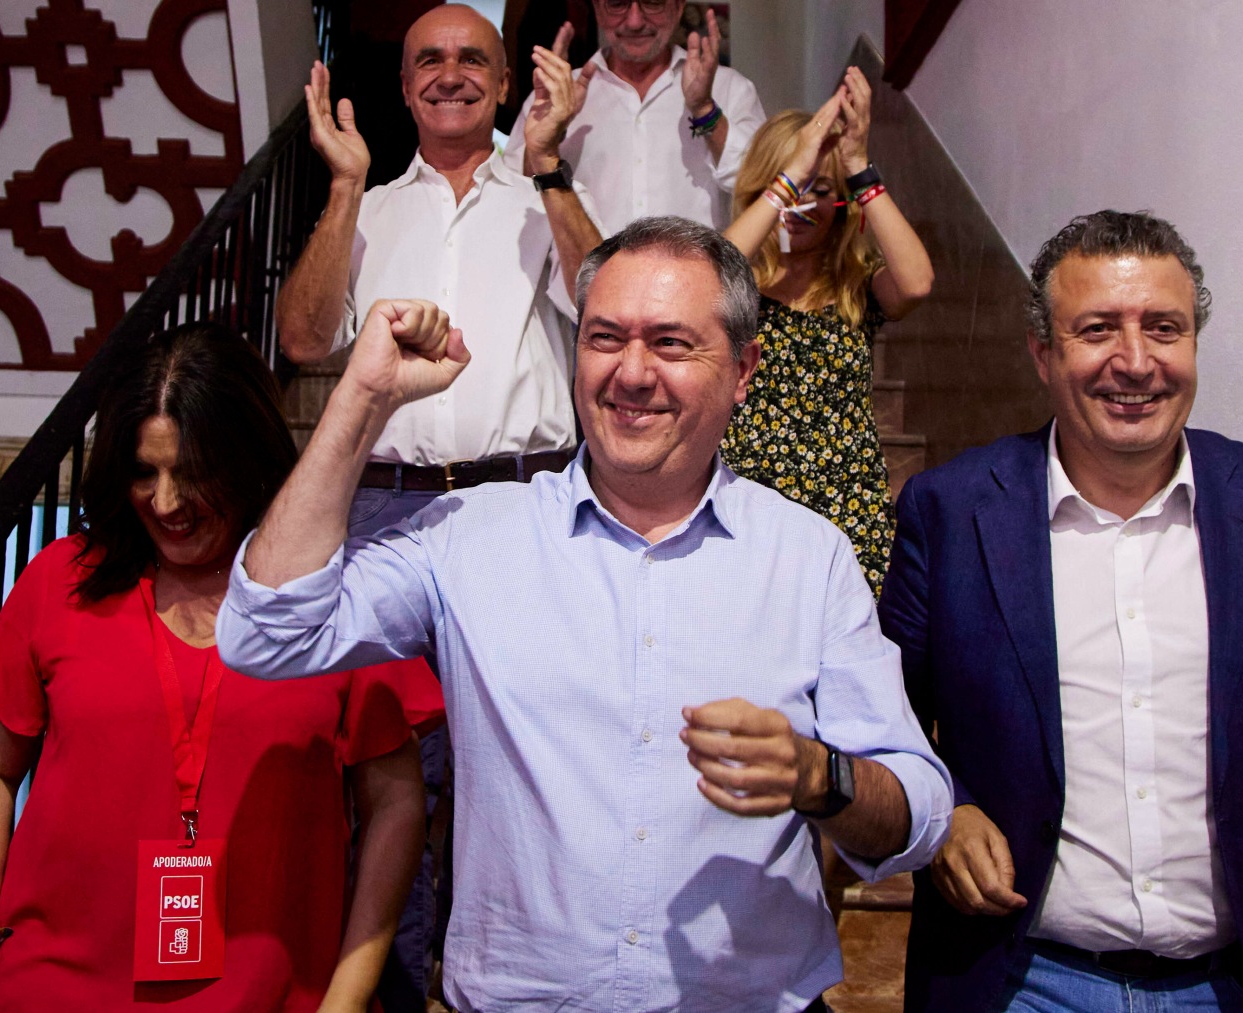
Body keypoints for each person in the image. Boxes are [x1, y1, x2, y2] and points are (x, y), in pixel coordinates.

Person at [217, 216, 952, 1013]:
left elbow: (918, 809)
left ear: (744, 370)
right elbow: (266, 631)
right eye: (605, 337)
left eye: (671, 343)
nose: (631, 373)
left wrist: (820, 774)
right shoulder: (468, 533)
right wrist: (364, 400)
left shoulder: (809, 558)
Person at [880, 211, 1243, 1012]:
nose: (1135, 361)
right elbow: (886, 720)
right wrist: (946, 812)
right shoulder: (951, 509)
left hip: (1242, 980)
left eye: (1165, 327)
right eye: (1097, 330)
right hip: (1025, 981)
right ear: (1043, 353)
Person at [0, 323, 435, 1013]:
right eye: (145, 471)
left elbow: (397, 801)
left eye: (193, 471)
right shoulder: (59, 582)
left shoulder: (330, 597)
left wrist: (347, 994)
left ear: (247, 458)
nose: (166, 502)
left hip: (275, 995)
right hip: (50, 990)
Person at [274, 6, 603, 996]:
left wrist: (550, 170)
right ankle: (392, 985)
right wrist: (340, 185)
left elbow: (608, 303)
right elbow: (301, 338)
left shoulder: (547, 192)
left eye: (473, 59)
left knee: (517, 770)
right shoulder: (370, 211)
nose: (450, 74)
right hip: (385, 516)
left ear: (507, 86)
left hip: (520, 508)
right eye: (429, 59)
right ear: (406, 82)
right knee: (386, 775)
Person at [720, 68, 934, 594]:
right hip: (747, 508)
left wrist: (858, 167)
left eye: (818, 190)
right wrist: (790, 174)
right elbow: (705, 274)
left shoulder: (857, 286)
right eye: (790, 185)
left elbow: (918, 283)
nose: (800, 204)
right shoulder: (735, 281)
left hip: (846, 512)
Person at [505, 1, 765, 230]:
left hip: (695, 283)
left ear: (678, 7)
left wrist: (706, 111)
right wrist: (551, 133)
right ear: (597, 8)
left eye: (652, 3)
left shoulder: (729, 88)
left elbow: (759, 189)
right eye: (618, 4)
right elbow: (512, 199)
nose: (634, 21)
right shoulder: (556, 94)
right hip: (584, 283)